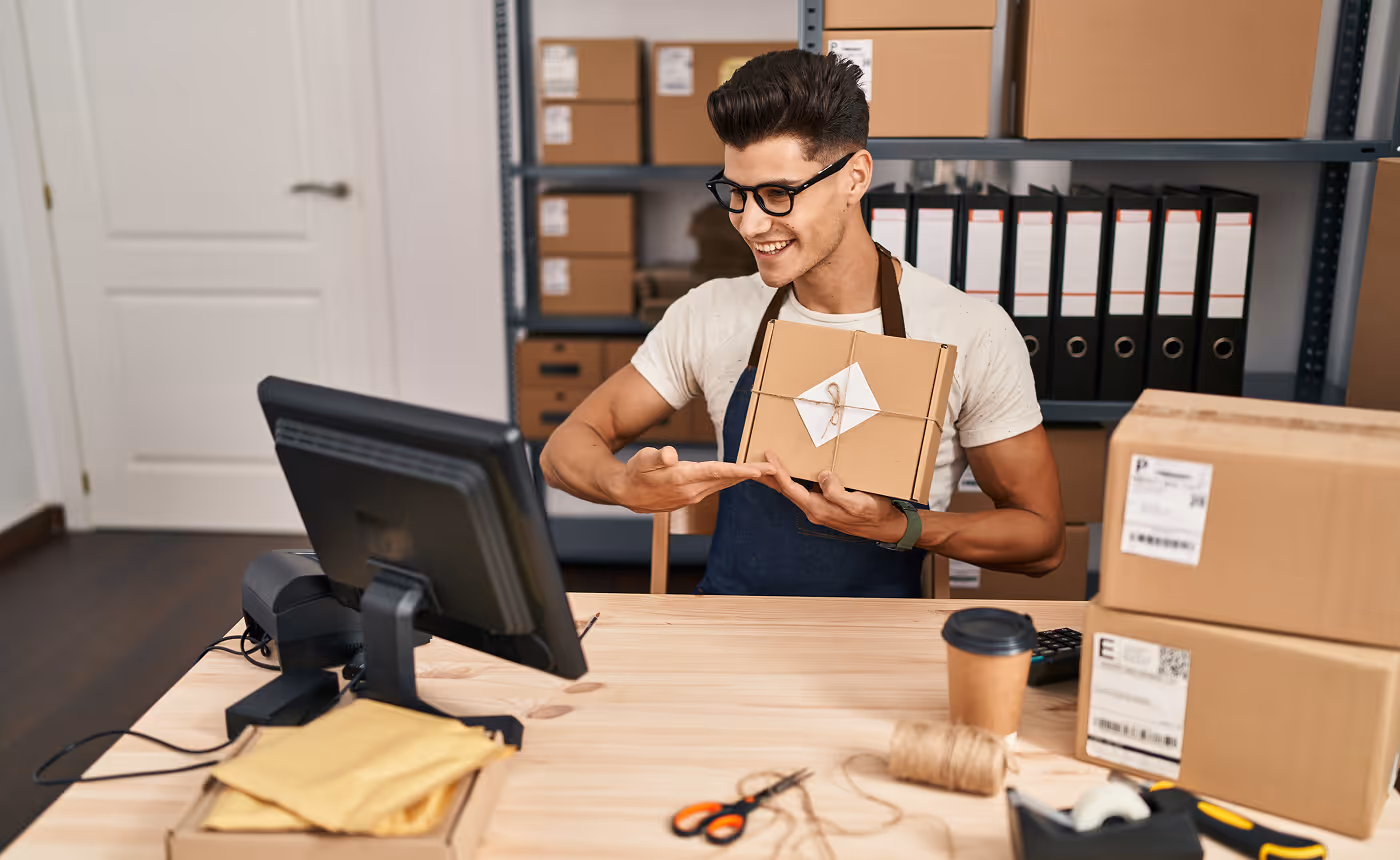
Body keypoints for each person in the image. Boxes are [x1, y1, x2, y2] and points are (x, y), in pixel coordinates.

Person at [541, 49, 1064, 597]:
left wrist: (901, 526)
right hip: (730, 630)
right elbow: (562, 450)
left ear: (855, 178)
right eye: (736, 194)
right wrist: (623, 484)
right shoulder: (710, 313)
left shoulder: (970, 331)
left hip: (879, 647)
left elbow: (1041, 539)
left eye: (778, 194)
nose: (750, 223)